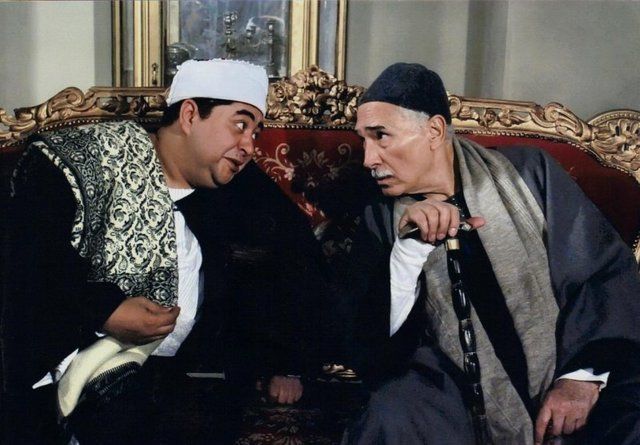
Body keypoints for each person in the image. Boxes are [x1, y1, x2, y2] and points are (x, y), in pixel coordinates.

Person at [1, 59, 324, 444]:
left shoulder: (239, 183)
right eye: (240, 125)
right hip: (68, 361)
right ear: (189, 115)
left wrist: (287, 363)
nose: (250, 146)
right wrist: (106, 311)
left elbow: (299, 262)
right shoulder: (89, 160)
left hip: (185, 377)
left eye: (256, 132)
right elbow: (27, 255)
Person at [339, 62, 640, 445]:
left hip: (569, 362)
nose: (368, 159)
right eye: (364, 141)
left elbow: (602, 274)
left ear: (434, 131)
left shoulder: (530, 175)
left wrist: (580, 380)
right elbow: (368, 343)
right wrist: (408, 253)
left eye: (381, 136)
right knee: (393, 416)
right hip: (451, 397)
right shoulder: (380, 218)